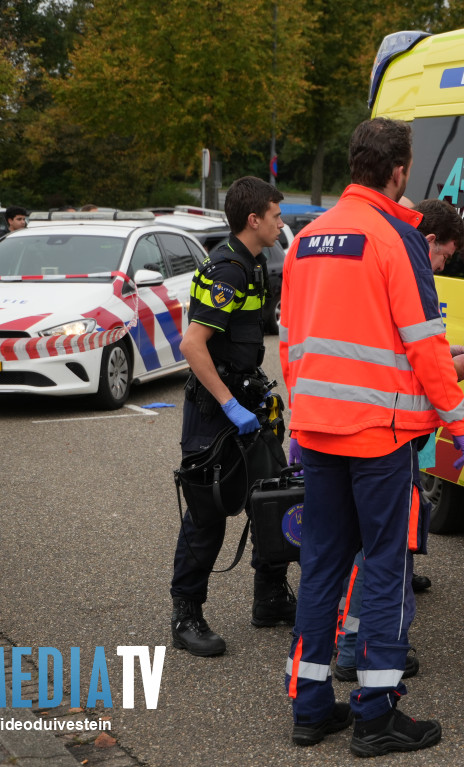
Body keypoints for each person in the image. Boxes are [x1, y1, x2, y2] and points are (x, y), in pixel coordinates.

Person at [280, 118, 464, 756]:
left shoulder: (304, 239)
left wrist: (296, 418)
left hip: (319, 430)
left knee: (321, 569)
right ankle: (376, 714)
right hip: (378, 436)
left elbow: (292, 342)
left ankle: (310, 707)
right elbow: (424, 341)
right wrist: (456, 419)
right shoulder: (396, 239)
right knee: (385, 567)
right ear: (398, 172)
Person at [330, 197, 464, 683]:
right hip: (387, 433)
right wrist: (457, 415)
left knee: (360, 547)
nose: (440, 267)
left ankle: (350, 646)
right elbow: (408, 361)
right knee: (383, 551)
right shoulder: (404, 266)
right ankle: (363, 653)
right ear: (429, 241)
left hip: (340, 427)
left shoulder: (347, 255)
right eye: (444, 258)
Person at [169, 176, 296, 657]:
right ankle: (186, 614)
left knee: (274, 501)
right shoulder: (228, 269)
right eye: (277, 216)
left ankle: (269, 598)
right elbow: (192, 345)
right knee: (207, 517)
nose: (281, 223)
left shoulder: (255, 263)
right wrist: (228, 404)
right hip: (215, 413)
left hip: (247, 402)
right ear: (254, 219)